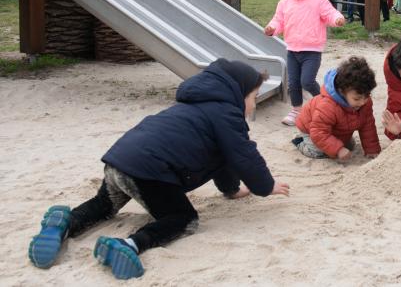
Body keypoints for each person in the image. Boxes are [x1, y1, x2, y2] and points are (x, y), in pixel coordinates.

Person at [26, 59, 290, 280]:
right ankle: (130, 244)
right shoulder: (226, 114)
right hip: (150, 170)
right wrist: (266, 186)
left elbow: (223, 159)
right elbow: (242, 155)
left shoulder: (196, 105)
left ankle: (64, 223)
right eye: (254, 97)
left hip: (121, 158)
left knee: (104, 205)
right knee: (183, 218)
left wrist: (232, 190)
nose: (254, 104)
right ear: (238, 93)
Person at [265, 0, 345, 126]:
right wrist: (272, 28)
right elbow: (278, 20)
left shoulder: (318, 1)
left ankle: (326, 103)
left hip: (312, 50)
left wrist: (337, 18)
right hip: (292, 49)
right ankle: (296, 110)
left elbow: (329, 13)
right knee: (293, 83)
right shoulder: (284, 2)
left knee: (306, 81)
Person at [292, 56, 380, 160]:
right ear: (342, 91)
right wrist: (338, 149)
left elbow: (367, 125)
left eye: (367, 96)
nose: (362, 102)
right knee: (319, 152)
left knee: (350, 146)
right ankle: (300, 141)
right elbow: (318, 133)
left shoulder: (365, 102)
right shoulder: (327, 106)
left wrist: (371, 149)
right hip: (311, 130)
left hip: (336, 129)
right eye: (357, 99)